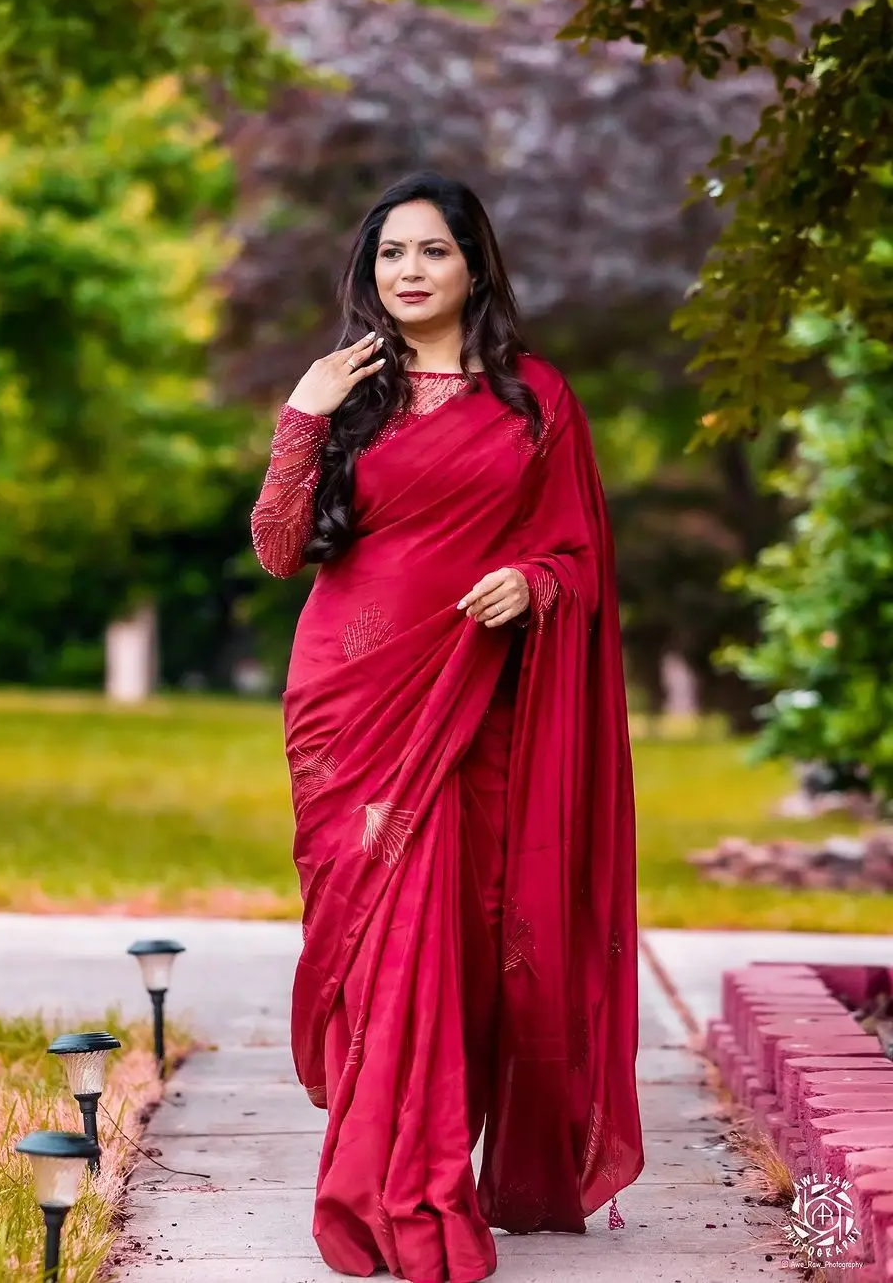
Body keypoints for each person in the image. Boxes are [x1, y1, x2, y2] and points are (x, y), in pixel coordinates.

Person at [250, 170, 643, 1283]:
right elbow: (281, 550)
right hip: (349, 701)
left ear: (475, 267)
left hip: (470, 702)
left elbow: (579, 555)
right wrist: (303, 414)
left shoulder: (536, 401)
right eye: (389, 255)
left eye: (430, 252)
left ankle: (411, 1186)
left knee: (447, 941)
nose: (408, 273)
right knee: (377, 938)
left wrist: (532, 581)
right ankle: (376, 1188)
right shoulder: (348, 392)